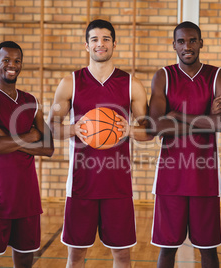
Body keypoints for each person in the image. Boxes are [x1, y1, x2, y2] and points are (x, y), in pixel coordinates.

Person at [47, 19, 149, 268]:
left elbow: (148, 131)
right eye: (94, 39)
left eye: (105, 39)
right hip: (81, 183)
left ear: (114, 43)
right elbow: (51, 128)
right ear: (86, 45)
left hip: (118, 183)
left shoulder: (131, 85)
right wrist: (73, 129)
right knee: (76, 255)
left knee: (122, 255)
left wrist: (130, 131)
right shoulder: (70, 82)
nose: (100, 44)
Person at [148, 21, 221, 268]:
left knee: (208, 250)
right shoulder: (163, 76)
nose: (187, 46)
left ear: (201, 43)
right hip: (170, 177)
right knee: (167, 250)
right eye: (182, 41)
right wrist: (209, 120)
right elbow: (155, 127)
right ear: (174, 44)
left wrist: (177, 115)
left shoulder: (218, 75)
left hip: (204, 177)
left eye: (193, 40)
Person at [0, 41, 54, 268]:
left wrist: (7, 138)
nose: (12, 65)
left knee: (25, 257)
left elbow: (48, 148)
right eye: (6, 60)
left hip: (27, 196)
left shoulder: (31, 102)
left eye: (17, 61)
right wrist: (28, 137)